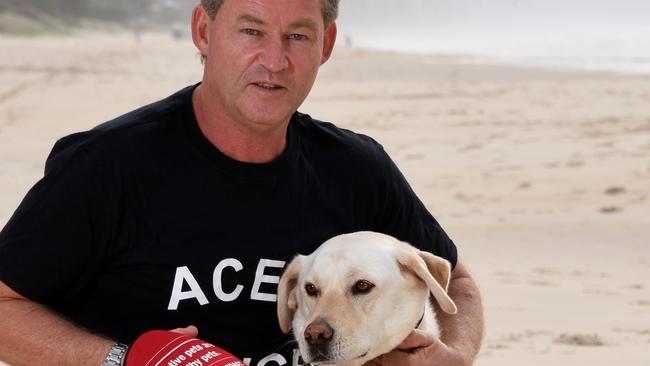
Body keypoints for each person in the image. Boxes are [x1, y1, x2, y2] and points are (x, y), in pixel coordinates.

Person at [0, 0, 484, 365]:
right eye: (251, 30)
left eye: (298, 36)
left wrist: (452, 357)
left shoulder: (356, 169)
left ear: (327, 44)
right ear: (205, 31)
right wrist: (125, 359)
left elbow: (455, 280)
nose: (274, 60)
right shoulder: (108, 165)